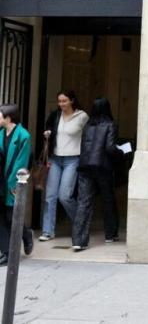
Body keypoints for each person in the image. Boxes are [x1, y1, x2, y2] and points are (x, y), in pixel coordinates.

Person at [71, 98, 121, 251]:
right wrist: (122, 153)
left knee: (83, 203)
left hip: (85, 167)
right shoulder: (110, 125)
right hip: (102, 167)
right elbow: (110, 148)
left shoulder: (87, 125)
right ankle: (110, 234)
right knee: (108, 200)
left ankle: (78, 240)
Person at [40, 90, 89, 241]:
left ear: (72, 101)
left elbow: (89, 137)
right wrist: (47, 133)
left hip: (73, 159)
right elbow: (49, 130)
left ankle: (80, 224)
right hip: (55, 159)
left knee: (65, 196)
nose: (61, 104)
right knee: (50, 196)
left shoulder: (82, 116)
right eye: (60, 101)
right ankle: (48, 231)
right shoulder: (55, 115)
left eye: (64, 101)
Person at [0, 104, 33, 265]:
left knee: (11, 216)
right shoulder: (0, 134)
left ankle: (26, 235)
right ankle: (6, 252)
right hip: (1, 181)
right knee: (2, 217)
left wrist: (12, 182)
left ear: (8, 117)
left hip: (12, 182)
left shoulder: (23, 135)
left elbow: (22, 161)